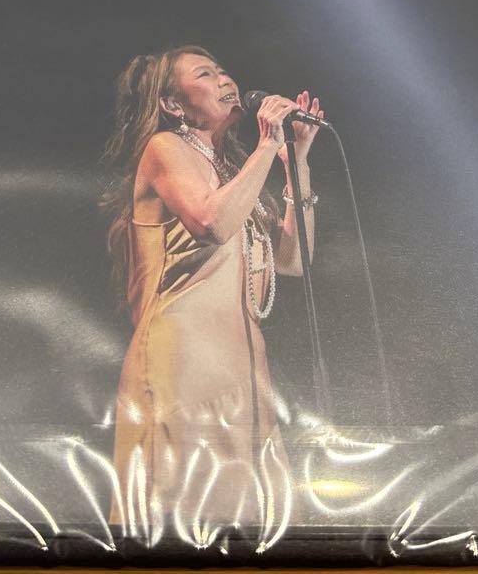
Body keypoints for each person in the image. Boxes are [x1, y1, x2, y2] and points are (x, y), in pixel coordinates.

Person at [99, 45, 323, 541]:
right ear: (173, 104)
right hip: (184, 362)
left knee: (254, 523)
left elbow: (293, 262)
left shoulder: (230, 169)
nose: (226, 80)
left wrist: (296, 163)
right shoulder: (164, 148)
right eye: (205, 74)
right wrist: (267, 147)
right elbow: (212, 223)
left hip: (243, 363)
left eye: (223, 70)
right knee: (183, 515)